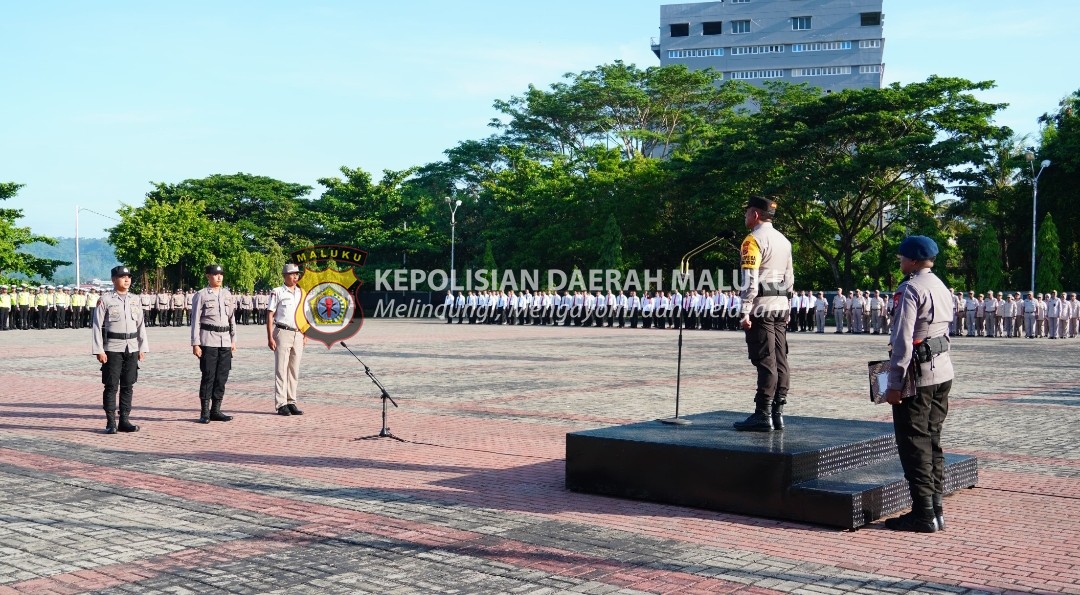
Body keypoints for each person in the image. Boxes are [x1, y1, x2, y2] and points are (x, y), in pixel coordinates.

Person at [882, 236, 954, 533]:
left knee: (914, 444)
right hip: (942, 372)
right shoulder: (940, 285)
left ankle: (923, 514)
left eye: (901, 258)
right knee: (932, 440)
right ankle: (935, 509)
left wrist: (894, 382)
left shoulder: (910, 288)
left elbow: (902, 339)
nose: (899, 262)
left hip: (917, 376)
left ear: (913, 260)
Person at [733, 196, 793, 432]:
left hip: (762, 306)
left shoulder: (752, 240)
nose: (745, 216)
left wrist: (745, 310)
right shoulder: (784, 240)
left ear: (755, 214)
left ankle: (762, 414)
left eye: (747, 212)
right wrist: (788, 305)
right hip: (780, 305)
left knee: (765, 359)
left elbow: (750, 280)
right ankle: (777, 412)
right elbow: (789, 277)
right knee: (780, 359)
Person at [91, 266, 148, 434]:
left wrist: (142, 347)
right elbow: (96, 325)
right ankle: (110, 422)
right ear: (114, 279)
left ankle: (124, 420)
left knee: (128, 385)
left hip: (131, 347)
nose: (127, 280)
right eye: (122, 277)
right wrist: (99, 350)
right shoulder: (106, 299)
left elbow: (141, 325)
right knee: (111, 386)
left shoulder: (135, 299)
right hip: (112, 348)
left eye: (128, 277)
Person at [190, 264, 236, 424]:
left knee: (222, 376)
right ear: (208, 276)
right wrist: (195, 343)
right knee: (208, 376)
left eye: (221, 274)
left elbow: (232, 319)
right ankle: (204, 412)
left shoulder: (227, 294)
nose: (219, 277)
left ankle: (216, 410)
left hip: (225, 340)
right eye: (215, 274)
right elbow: (195, 320)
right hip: (208, 340)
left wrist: (233, 340)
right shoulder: (201, 295)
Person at [267, 263, 307, 416]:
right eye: (292, 274)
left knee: (294, 370)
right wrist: (270, 336)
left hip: (298, 333)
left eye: (297, 274)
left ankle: (291, 401)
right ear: (284, 276)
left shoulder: (301, 292)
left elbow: (304, 314)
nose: (295, 276)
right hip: (282, 332)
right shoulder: (277, 292)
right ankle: (281, 403)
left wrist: (305, 334)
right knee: (281, 369)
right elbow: (270, 314)